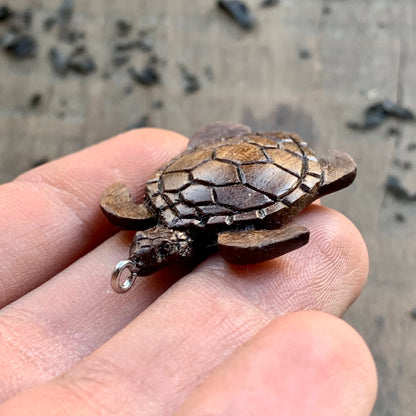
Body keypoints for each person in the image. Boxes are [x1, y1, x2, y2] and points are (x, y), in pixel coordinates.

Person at [0, 128, 377, 415]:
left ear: (177, 247)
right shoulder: (154, 219)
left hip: (272, 169)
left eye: (158, 250)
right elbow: (120, 203)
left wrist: (287, 234)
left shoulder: (227, 238)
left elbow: (274, 237)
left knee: (239, 241)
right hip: (207, 162)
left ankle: (320, 169)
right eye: (149, 247)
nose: (147, 253)